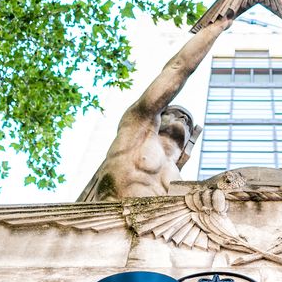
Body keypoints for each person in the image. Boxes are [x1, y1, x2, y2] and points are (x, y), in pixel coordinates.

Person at [79, 13, 233, 201]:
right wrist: (213, 30)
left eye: (187, 122)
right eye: (175, 114)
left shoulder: (179, 179)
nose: (183, 119)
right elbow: (178, 68)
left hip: (160, 229)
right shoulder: (137, 132)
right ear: (159, 116)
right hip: (108, 224)